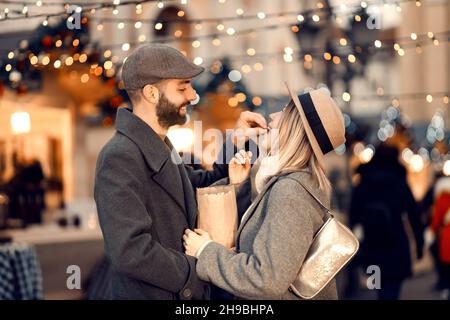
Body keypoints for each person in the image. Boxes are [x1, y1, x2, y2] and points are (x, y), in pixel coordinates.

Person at [94, 44, 266, 300]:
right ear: (152, 93)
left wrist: (238, 140)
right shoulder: (120, 156)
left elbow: (201, 184)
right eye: (182, 87)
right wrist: (196, 269)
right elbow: (130, 251)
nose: (193, 95)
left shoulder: (158, 145)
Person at [184, 86, 346, 299]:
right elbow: (256, 241)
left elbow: (266, 279)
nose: (272, 115)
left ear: (292, 127)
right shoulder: (287, 182)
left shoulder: (291, 191)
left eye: (284, 111)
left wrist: (205, 251)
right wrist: (239, 185)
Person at [349, 144, 424, 300]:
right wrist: (419, 244)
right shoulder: (399, 182)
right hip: (395, 243)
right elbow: (414, 214)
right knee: (392, 288)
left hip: (372, 244)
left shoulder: (364, 182)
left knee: (379, 287)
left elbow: (353, 213)